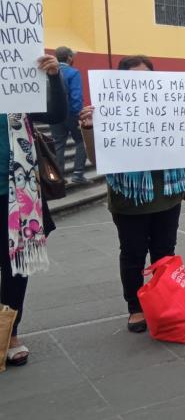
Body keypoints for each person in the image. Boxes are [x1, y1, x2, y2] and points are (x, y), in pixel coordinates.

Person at [79, 55, 185, 333]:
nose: (141, 83)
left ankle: (166, 301)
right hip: (129, 197)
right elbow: (95, 157)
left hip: (167, 194)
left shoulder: (169, 106)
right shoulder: (108, 112)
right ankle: (135, 307)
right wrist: (89, 128)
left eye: (146, 77)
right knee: (133, 253)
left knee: (164, 251)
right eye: (134, 78)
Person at [2, 54, 66, 367]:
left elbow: (55, 112)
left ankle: (10, 333)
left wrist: (54, 77)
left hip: (18, 194)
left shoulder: (18, 87)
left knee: (17, 268)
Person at [50, 46, 88, 184]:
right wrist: (79, 115)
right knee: (82, 141)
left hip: (53, 113)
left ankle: (58, 176)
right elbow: (76, 96)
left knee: (58, 143)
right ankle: (77, 174)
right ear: (69, 58)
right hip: (71, 113)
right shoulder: (73, 72)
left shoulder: (49, 72)